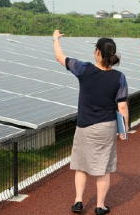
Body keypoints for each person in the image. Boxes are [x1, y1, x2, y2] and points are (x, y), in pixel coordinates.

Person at [52, 30, 129, 215]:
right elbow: (123, 107)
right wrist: (123, 131)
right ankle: (100, 206)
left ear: (97, 52)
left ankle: (78, 202)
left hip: (84, 125)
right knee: (103, 169)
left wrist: (55, 39)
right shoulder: (119, 77)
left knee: (81, 165)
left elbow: (60, 57)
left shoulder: (84, 69)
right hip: (106, 126)